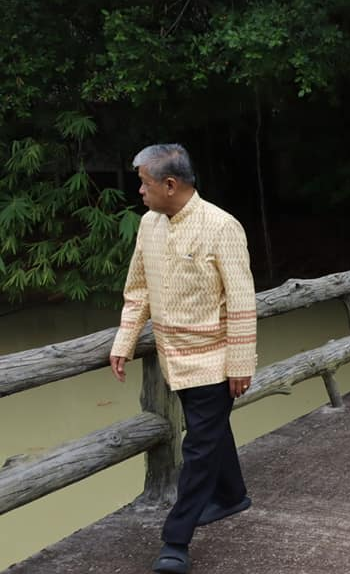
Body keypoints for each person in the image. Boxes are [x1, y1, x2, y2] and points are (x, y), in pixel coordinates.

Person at [108, 144, 257, 574]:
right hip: (174, 357)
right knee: (207, 433)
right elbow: (138, 291)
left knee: (197, 446)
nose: (140, 191)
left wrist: (240, 365)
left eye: (144, 183)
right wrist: (124, 342)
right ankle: (232, 495)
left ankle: (176, 540)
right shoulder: (149, 225)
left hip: (213, 358)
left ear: (170, 184)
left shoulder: (221, 226)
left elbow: (243, 301)